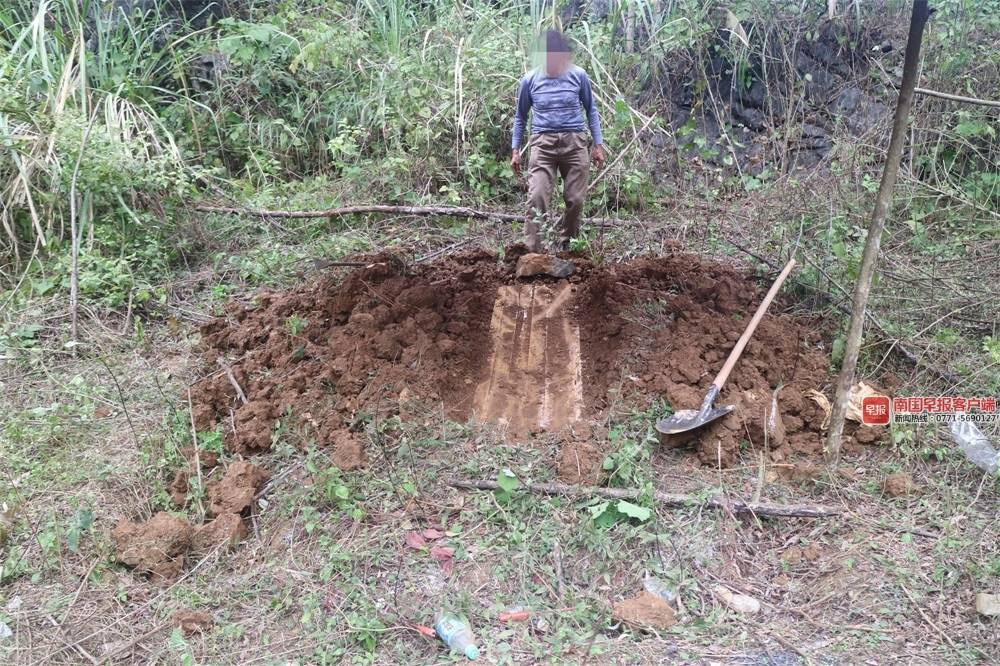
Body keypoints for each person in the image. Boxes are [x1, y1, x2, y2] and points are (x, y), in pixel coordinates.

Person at [511, 30, 605, 252]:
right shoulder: (530, 80)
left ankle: (567, 244)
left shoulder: (579, 75)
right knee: (537, 197)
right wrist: (515, 150)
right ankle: (533, 252)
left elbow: (591, 110)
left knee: (576, 199)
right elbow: (520, 116)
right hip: (543, 145)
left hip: (575, 144)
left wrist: (598, 145)